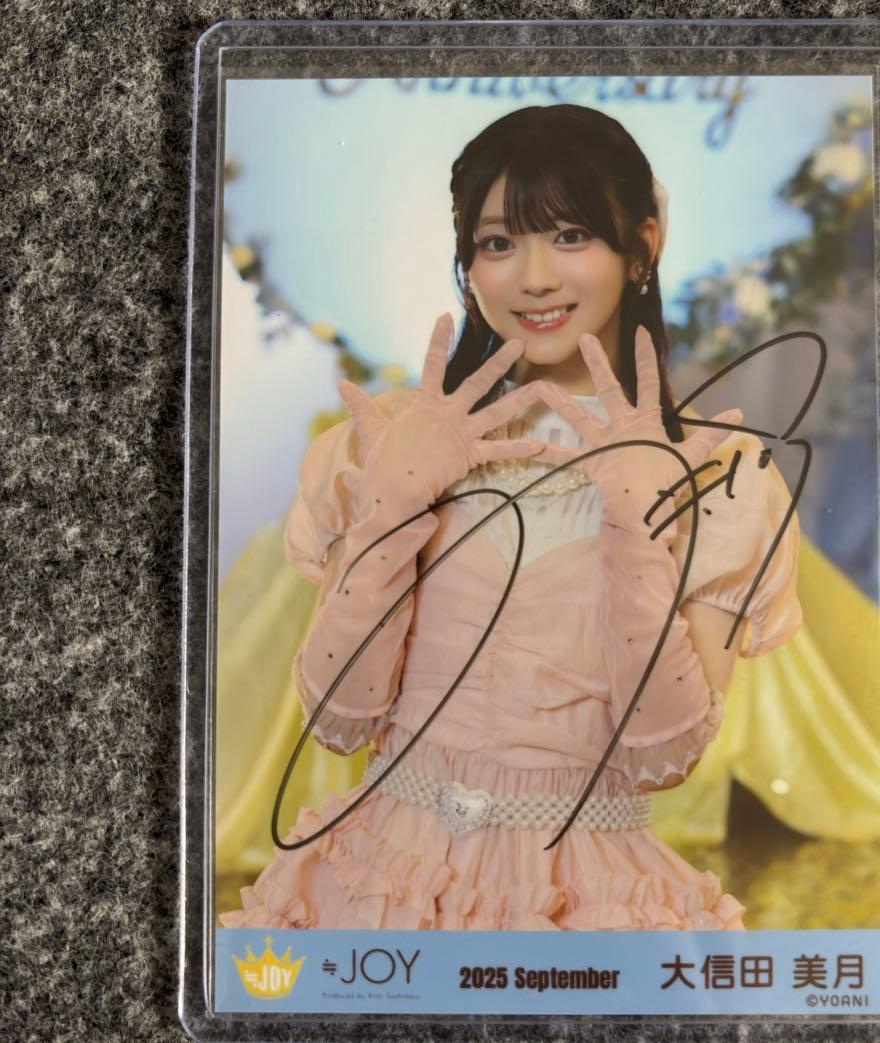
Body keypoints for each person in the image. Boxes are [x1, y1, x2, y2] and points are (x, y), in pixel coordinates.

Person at [220, 104, 802, 932]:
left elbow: (666, 755)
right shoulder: (392, 439)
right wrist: (393, 507)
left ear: (641, 246)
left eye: (570, 235)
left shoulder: (718, 473)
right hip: (376, 888)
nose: (534, 277)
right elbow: (340, 719)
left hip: (587, 902)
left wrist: (635, 523)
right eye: (498, 243)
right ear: (467, 263)